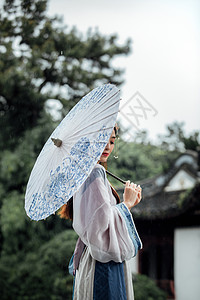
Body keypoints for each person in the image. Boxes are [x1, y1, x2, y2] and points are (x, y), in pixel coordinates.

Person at [59, 126, 142, 300]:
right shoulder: (95, 172)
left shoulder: (82, 173)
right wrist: (126, 203)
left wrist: (127, 204)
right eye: (102, 139)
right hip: (103, 261)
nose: (108, 147)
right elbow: (99, 223)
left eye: (112, 141)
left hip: (93, 258)